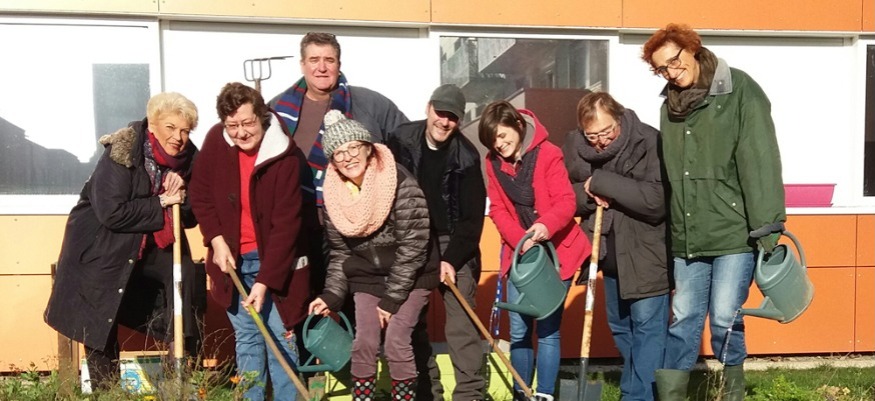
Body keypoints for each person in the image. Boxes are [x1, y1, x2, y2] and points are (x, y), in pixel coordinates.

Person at [641, 23, 786, 401]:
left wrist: (769, 226)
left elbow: (759, 158)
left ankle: (730, 391)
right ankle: (672, 396)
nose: (671, 72)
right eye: (661, 69)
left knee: (724, 317)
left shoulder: (739, 90)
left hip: (733, 231)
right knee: (683, 319)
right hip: (689, 233)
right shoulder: (668, 107)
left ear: (692, 48)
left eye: (674, 61)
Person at [44, 92, 202, 391]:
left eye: (185, 130)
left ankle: (178, 381)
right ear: (152, 124)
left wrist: (184, 194)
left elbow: (193, 215)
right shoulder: (123, 151)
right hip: (101, 244)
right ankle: (106, 391)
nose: (178, 137)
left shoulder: (190, 159)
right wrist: (161, 202)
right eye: (170, 127)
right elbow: (112, 212)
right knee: (99, 313)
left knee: (183, 282)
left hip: (151, 243)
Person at [189, 82, 311, 401]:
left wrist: (265, 281)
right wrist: (216, 239)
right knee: (248, 340)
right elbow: (200, 195)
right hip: (232, 262)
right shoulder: (216, 141)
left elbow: (287, 226)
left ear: (262, 116)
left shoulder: (284, 155)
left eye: (247, 123)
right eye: (232, 126)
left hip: (276, 265)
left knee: (280, 339)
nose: (241, 133)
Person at [308, 110, 440, 401]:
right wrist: (331, 295)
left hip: (412, 275)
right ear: (332, 161)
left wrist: (391, 300)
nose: (348, 158)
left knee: (396, 341)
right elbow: (340, 253)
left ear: (368, 148)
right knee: (364, 344)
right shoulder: (334, 195)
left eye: (353, 147)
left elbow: (414, 246)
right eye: (339, 153)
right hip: (368, 276)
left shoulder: (398, 180)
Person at [478, 100, 591, 401]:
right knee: (518, 330)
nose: (498, 144)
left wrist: (543, 227)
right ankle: (521, 393)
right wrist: (522, 239)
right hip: (520, 256)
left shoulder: (548, 153)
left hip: (556, 253)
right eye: (492, 140)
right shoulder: (492, 163)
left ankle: (544, 394)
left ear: (517, 125)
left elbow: (566, 201)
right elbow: (498, 209)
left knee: (548, 329)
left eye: (502, 135)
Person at [562, 92, 670, 401]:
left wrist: (601, 183)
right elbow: (566, 196)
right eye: (592, 135)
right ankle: (636, 390)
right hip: (607, 256)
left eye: (606, 132)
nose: (600, 141)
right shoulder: (575, 147)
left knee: (647, 330)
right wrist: (588, 195)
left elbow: (655, 201)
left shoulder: (648, 141)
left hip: (645, 254)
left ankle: (638, 395)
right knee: (622, 329)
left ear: (619, 118)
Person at [387, 84, 487, 401]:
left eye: (452, 117)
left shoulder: (467, 157)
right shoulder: (399, 141)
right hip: (410, 240)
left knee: (462, 324)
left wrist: (451, 259)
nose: (444, 122)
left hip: (454, 243)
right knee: (409, 320)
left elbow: (472, 220)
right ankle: (427, 391)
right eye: (440, 113)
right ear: (428, 108)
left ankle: (469, 395)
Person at [269, 31, 408, 208]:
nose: (322, 68)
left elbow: (409, 146)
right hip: (291, 208)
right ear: (302, 65)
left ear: (339, 65)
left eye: (329, 60)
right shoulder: (278, 108)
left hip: (357, 209)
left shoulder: (372, 104)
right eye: (314, 60)